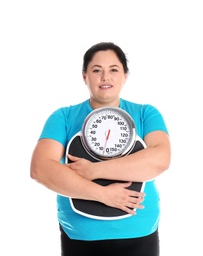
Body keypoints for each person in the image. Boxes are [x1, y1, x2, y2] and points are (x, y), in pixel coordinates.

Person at [30, 42, 171, 256]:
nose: (105, 77)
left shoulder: (146, 113)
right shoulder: (63, 117)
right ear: (85, 76)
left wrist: (94, 170)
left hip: (138, 234)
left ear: (125, 76)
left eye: (113, 70)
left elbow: (160, 159)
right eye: (97, 70)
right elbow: (40, 168)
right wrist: (103, 195)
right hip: (80, 235)